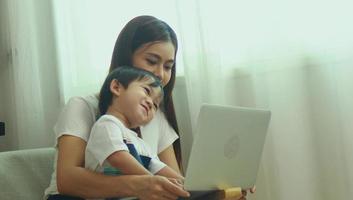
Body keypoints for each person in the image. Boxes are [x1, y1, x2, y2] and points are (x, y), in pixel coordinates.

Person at [44, 15, 253, 200]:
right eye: (152, 61)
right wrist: (143, 184)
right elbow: (67, 180)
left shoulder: (155, 118)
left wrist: (218, 190)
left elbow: (172, 184)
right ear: (125, 59)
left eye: (168, 66)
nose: (161, 74)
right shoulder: (83, 107)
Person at [85, 66, 184, 200]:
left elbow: (159, 168)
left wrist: (186, 185)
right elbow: (118, 157)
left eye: (155, 105)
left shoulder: (141, 144)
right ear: (116, 87)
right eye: (146, 90)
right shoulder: (106, 124)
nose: (150, 103)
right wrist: (152, 181)